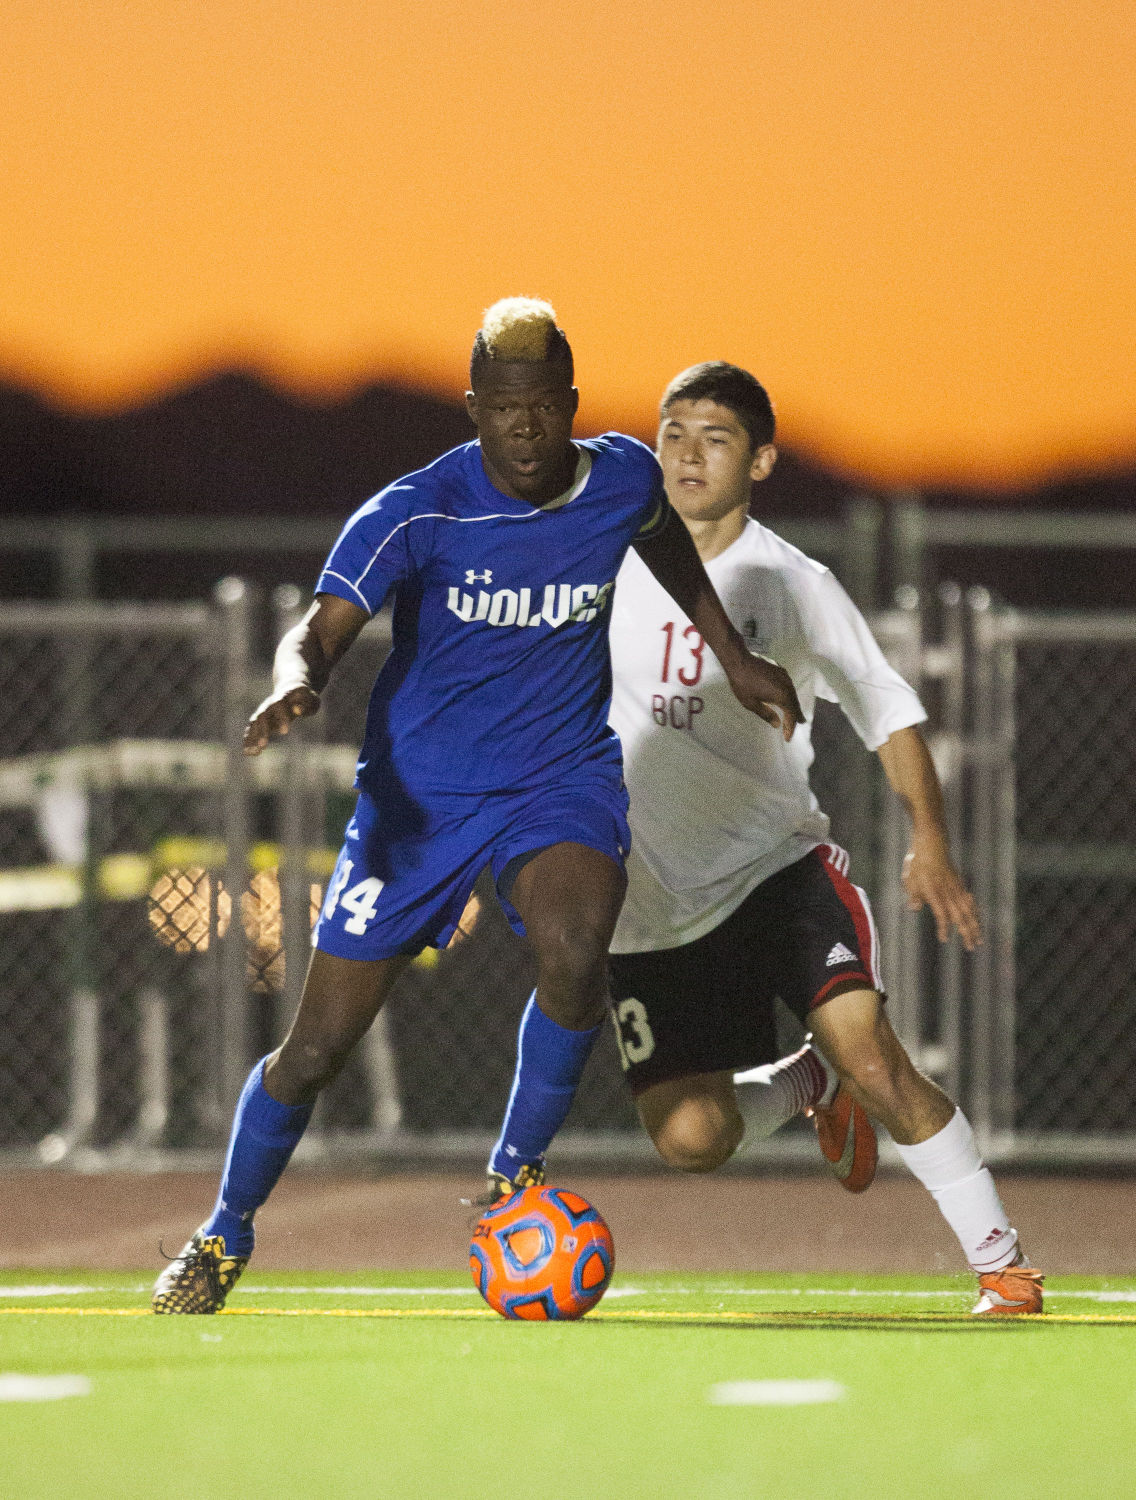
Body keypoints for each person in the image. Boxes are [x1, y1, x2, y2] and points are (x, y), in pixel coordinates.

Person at [152, 304, 802, 1313]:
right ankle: (221, 1234)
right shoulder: (416, 510)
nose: (525, 429)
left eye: (543, 408)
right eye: (503, 411)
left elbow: (662, 538)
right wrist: (294, 679)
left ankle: (512, 1176)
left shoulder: (621, 475)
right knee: (315, 1050)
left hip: (557, 783)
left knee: (579, 946)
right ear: (474, 412)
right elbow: (318, 628)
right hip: (418, 809)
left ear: (570, 407)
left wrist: (733, 654)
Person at [487, 361, 1043, 1317]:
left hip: (774, 875)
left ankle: (1002, 1262)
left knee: (879, 1062)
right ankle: (804, 1082)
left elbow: (889, 712)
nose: (688, 455)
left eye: (715, 438)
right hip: (649, 914)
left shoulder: (791, 581)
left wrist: (930, 840)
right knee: (692, 1139)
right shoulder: (599, 564)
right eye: (671, 434)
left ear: (762, 461)